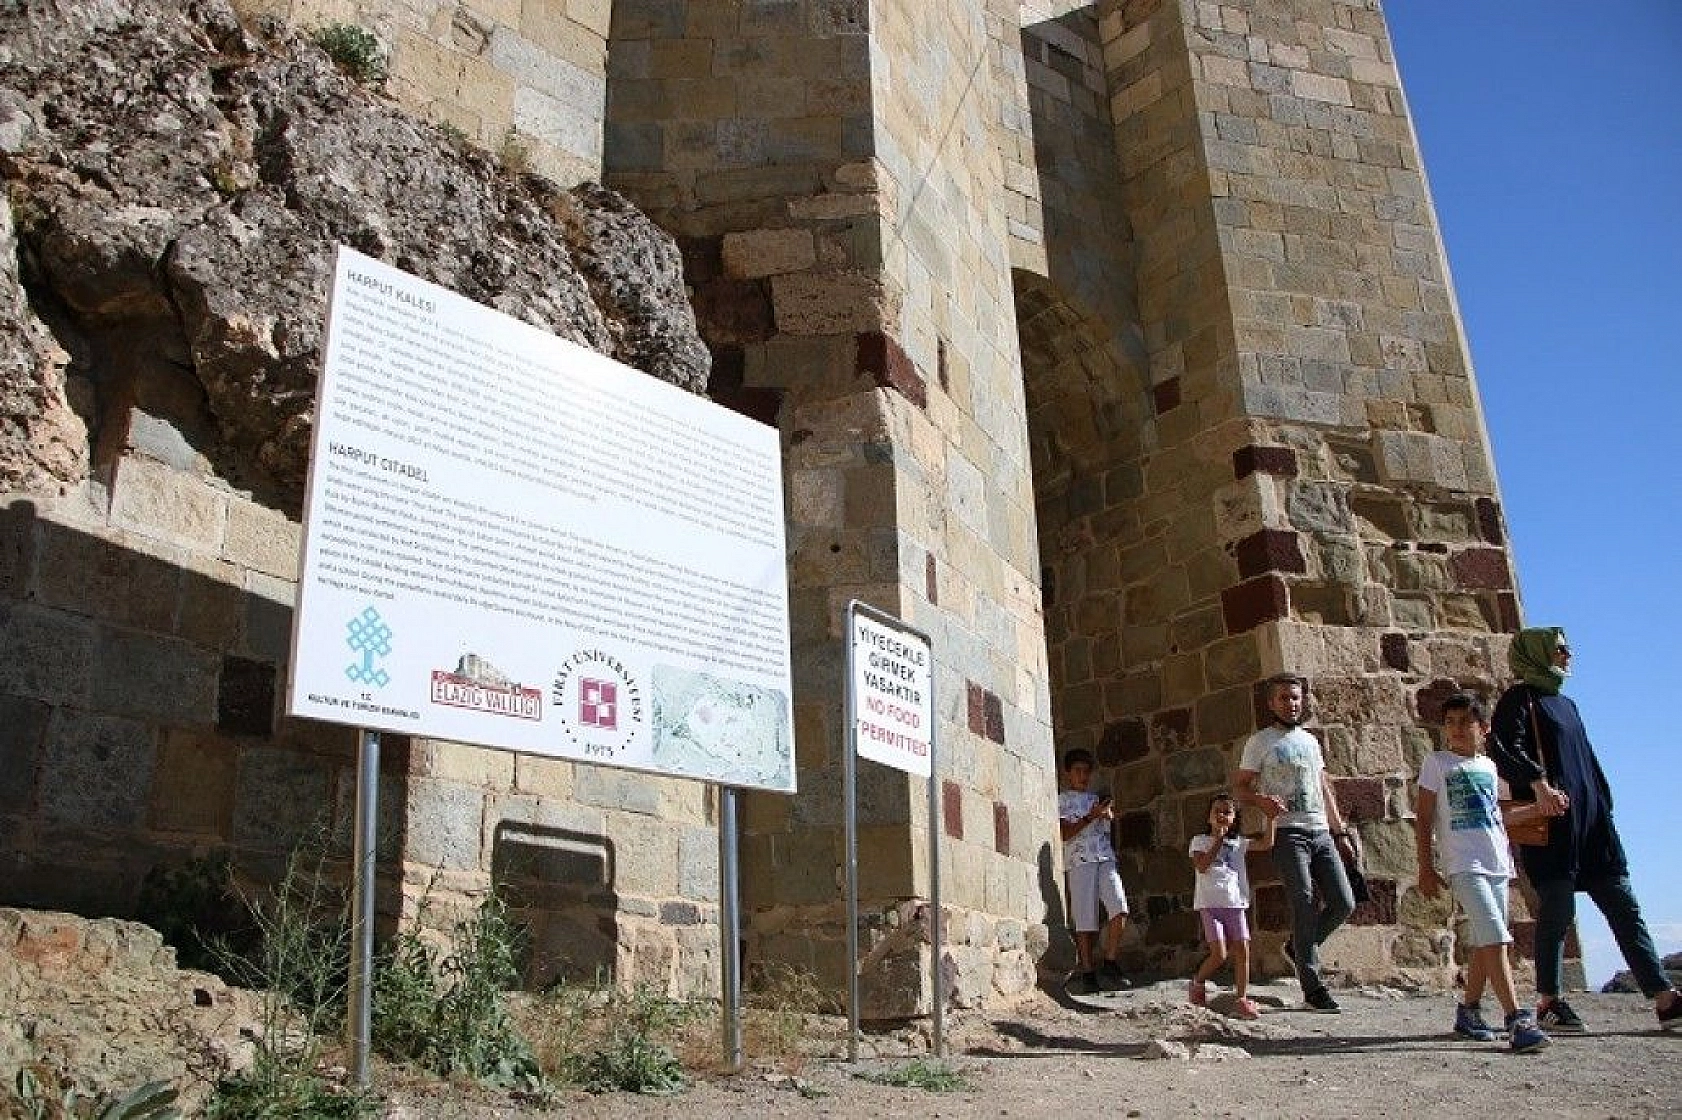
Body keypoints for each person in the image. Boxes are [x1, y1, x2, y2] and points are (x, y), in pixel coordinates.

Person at [1486, 626, 1682, 1033]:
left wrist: (1604, 807)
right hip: (1556, 826)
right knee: (1557, 913)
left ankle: (1664, 998)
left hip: (1593, 826)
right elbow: (1505, 746)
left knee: (1625, 909)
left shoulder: (1566, 704)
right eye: (1560, 648)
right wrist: (1539, 785)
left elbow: (1588, 762)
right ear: (1538, 653)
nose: (1568, 655)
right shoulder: (1519, 700)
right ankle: (1548, 1001)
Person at [1415, 692, 1550, 1052]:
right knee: (1495, 937)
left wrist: (1538, 809)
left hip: (1496, 863)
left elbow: (1498, 816)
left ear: (1484, 728)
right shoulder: (1437, 763)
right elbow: (1425, 818)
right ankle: (1516, 1018)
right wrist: (1426, 867)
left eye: (1465, 722)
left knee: (1483, 941)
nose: (1456, 729)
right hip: (1464, 863)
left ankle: (1469, 1010)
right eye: (1450, 723)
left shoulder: (1490, 768)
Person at [1235, 672, 1355, 1013]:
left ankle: (1300, 947)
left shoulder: (1311, 742)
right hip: (1288, 832)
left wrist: (1339, 831)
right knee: (1302, 901)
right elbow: (1240, 788)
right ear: (1271, 703)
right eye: (1284, 698)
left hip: (1320, 830)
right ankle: (1313, 985)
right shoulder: (1259, 743)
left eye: (1296, 697)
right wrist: (1261, 802)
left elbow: (1323, 787)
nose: (1291, 703)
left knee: (1343, 901)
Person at [1188, 792, 1277, 1019]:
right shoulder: (1199, 841)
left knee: (1242, 950)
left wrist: (1271, 818)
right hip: (1210, 904)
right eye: (1216, 811)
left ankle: (1241, 998)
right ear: (1208, 816)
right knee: (1219, 953)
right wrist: (1218, 839)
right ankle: (1198, 983)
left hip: (1235, 903)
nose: (1221, 815)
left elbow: (1267, 843)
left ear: (1234, 818)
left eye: (1226, 812)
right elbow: (1202, 865)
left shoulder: (1239, 843)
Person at [1057, 747, 1130, 994]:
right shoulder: (1062, 800)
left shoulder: (1095, 799)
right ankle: (1087, 970)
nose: (1083, 775)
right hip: (1079, 861)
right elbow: (1064, 833)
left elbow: (1107, 832)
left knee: (1119, 906)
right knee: (1085, 918)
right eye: (1077, 770)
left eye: (1086, 771)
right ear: (1068, 773)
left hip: (1104, 857)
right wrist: (1090, 817)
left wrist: (1106, 816)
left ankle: (1110, 961)